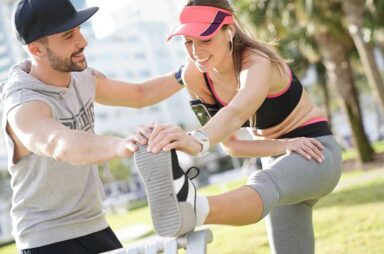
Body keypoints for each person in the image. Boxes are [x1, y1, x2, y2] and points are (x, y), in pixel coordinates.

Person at [132, 1, 343, 253]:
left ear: (228, 30)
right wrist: (285, 145)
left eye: (205, 39)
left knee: (263, 182)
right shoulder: (194, 76)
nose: (196, 51)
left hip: (315, 150)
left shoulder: (257, 62)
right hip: (276, 159)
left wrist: (197, 140)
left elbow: (236, 111)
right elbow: (232, 146)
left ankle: (193, 208)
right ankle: (188, 207)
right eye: (187, 41)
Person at [1, 0, 185, 253]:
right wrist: (120, 145)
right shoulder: (23, 104)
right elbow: (60, 144)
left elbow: (139, 94)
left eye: (79, 30)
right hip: (46, 238)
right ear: (36, 50)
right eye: (68, 36)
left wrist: (184, 74)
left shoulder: (82, 77)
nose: (82, 41)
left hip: (94, 225)